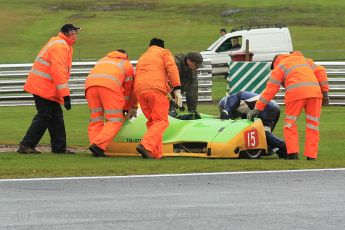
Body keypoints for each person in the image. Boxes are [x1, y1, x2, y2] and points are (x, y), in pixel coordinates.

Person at [247, 51, 329, 160]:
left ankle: (293, 154)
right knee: (313, 126)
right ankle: (311, 156)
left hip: (296, 93)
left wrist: (258, 108)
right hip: (315, 94)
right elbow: (321, 70)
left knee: (290, 124)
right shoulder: (303, 60)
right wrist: (325, 92)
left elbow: (270, 90)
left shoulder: (280, 66)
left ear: (274, 63)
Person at [17, 24, 81, 154]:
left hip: (45, 87)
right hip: (43, 87)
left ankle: (59, 147)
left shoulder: (60, 43)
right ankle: (26, 145)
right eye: (75, 32)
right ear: (69, 33)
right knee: (45, 115)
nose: (77, 35)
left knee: (55, 116)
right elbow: (58, 72)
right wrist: (66, 96)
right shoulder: (60, 46)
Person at [134, 38, 181, 159]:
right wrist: (177, 87)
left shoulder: (143, 56)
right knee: (161, 121)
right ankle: (146, 145)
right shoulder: (164, 52)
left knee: (153, 123)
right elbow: (172, 68)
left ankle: (155, 153)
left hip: (140, 91)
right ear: (162, 46)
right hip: (155, 90)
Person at [85, 49, 136, 157]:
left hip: (90, 86)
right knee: (115, 120)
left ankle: (94, 144)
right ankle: (98, 145)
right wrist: (126, 108)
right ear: (126, 55)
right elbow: (127, 91)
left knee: (96, 119)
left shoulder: (103, 59)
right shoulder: (127, 64)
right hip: (110, 87)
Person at [219, 91, 287, 158]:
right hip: (271, 106)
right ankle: (281, 151)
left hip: (266, 107)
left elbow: (225, 113)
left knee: (263, 135)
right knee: (264, 138)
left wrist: (225, 113)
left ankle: (284, 146)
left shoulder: (232, 98)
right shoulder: (244, 110)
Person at [169, 51, 203, 118]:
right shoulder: (174, 65)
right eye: (196, 65)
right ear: (188, 61)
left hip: (174, 95)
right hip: (162, 94)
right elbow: (165, 85)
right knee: (168, 114)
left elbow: (193, 89)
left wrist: (192, 110)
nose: (197, 68)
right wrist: (171, 103)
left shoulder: (192, 69)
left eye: (198, 66)